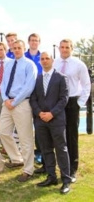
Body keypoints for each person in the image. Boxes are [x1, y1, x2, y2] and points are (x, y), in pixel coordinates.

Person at [30, 51, 71, 194]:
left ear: (52, 60)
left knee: (61, 149)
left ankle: (66, 180)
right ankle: (51, 176)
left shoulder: (61, 78)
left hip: (56, 120)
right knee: (46, 149)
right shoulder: (37, 79)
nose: (45, 61)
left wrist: (51, 113)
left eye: (47, 58)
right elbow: (33, 99)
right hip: (40, 120)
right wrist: (39, 113)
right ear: (40, 61)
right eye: (42, 59)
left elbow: (64, 99)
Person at [0, 40, 37, 182]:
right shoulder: (8, 64)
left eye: (18, 48)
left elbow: (29, 86)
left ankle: (28, 169)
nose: (16, 50)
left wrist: (14, 102)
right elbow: (2, 84)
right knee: (3, 132)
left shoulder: (29, 65)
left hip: (21, 104)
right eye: (14, 48)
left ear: (24, 48)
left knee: (25, 137)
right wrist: (5, 99)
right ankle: (16, 159)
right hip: (7, 102)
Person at [53, 39, 91, 183]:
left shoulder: (79, 64)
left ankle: (72, 168)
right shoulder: (55, 63)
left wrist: (79, 103)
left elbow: (86, 85)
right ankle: (60, 166)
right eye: (62, 47)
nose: (64, 50)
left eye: (67, 47)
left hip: (72, 102)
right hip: (56, 102)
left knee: (71, 136)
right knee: (58, 135)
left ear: (72, 48)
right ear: (59, 48)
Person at [25, 33, 44, 170]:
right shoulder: (23, 56)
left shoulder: (44, 57)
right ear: (28, 42)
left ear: (39, 42)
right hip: (26, 95)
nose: (34, 42)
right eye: (32, 40)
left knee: (39, 125)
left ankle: (40, 152)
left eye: (36, 40)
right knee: (25, 125)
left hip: (39, 95)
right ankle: (27, 153)